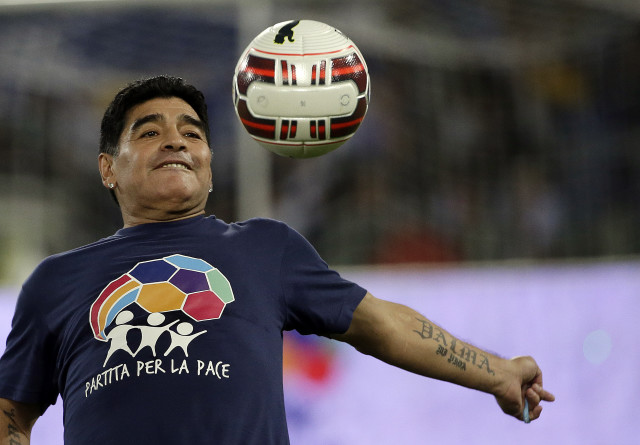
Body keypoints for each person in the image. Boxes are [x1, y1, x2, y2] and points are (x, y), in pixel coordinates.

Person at [0, 76, 554, 445]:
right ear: (108, 169)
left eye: (191, 133)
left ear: (210, 167)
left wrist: (497, 372)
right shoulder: (57, 280)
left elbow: (381, 324)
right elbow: (12, 412)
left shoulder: (265, 247)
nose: (176, 141)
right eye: (150, 132)